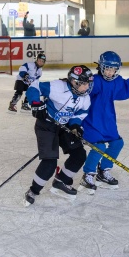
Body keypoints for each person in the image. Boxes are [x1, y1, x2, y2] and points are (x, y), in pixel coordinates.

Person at [78, 51, 129, 194]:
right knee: (99, 146)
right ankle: (88, 175)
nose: (110, 72)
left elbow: (123, 90)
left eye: (113, 69)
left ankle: (103, 171)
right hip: (91, 121)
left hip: (107, 120)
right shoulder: (94, 81)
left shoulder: (116, 81)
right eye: (107, 68)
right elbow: (79, 88)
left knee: (117, 143)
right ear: (101, 67)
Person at [23, 65, 94, 206]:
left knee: (79, 154)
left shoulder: (85, 98)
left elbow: (80, 114)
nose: (87, 87)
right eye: (83, 83)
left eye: (88, 83)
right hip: (46, 125)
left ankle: (61, 181)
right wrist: (36, 103)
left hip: (64, 126)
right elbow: (35, 86)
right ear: (74, 82)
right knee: (50, 162)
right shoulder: (57, 87)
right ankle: (33, 191)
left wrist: (75, 125)